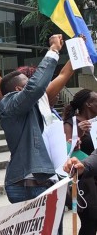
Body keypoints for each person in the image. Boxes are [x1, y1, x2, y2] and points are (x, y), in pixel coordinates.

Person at [0, 34, 64, 204]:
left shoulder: (33, 108)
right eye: (29, 81)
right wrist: (53, 50)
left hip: (42, 182)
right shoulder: (9, 103)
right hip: (25, 187)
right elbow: (35, 87)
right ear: (19, 89)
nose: (35, 83)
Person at [63, 89, 97, 235]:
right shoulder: (72, 123)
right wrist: (80, 135)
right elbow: (67, 151)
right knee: (90, 220)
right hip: (84, 179)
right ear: (89, 104)